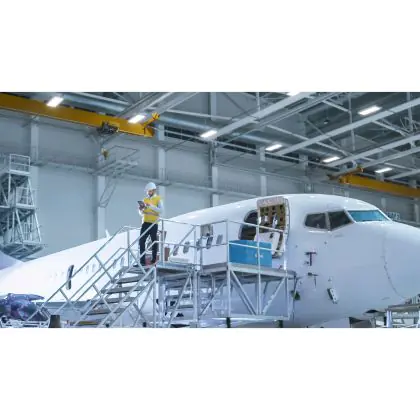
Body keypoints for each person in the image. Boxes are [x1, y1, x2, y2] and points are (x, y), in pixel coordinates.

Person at [138, 182, 164, 266]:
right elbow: (141, 213)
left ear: (154, 190)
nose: (148, 192)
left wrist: (150, 206)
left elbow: (161, 210)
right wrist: (141, 209)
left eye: (149, 191)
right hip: (145, 223)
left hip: (153, 223)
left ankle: (153, 260)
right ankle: (142, 261)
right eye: (147, 191)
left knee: (154, 241)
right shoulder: (145, 200)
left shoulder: (158, 199)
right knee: (141, 241)